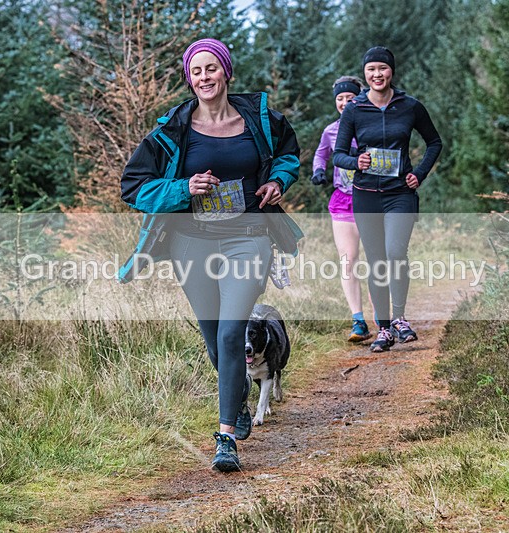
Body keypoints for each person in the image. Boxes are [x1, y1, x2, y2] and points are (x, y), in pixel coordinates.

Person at [118, 38, 301, 472]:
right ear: (189, 77)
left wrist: (278, 180)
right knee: (212, 336)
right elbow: (132, 187)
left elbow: (289, 154)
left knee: (231, 331)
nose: (204, 77)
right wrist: (184, 188)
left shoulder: (259, 119)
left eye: (211, 68)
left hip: (250, 236)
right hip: (192, 242)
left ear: (226, 72)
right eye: (196, 71)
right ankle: (236, 399)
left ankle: (224, 439)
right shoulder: (172, 130)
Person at [333, 46, 442, 352]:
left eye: (382, 69)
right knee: (377, 261)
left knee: (396, 252)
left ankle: (400, 318)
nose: (377, 75)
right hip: (366, 195)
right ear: (365, 74)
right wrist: (358, 162)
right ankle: (383, 328)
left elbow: (434, 142)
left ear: (391, 71)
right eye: (371, 70)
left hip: (400, 194)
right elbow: (339, 155)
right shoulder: (354, 108)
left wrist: (418, 174)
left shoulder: (409, 106)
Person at [312, 76, 374, 343]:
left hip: (371, 199)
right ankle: (358, 320)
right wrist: (318, 171)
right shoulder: (331, 130)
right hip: (342, 201)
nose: (344, 102)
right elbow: (321, 154)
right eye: (340, 98)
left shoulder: (372, 126)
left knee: (378, 262)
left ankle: (387, 319)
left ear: (359, 98)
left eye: (350, 97)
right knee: (348, 261)